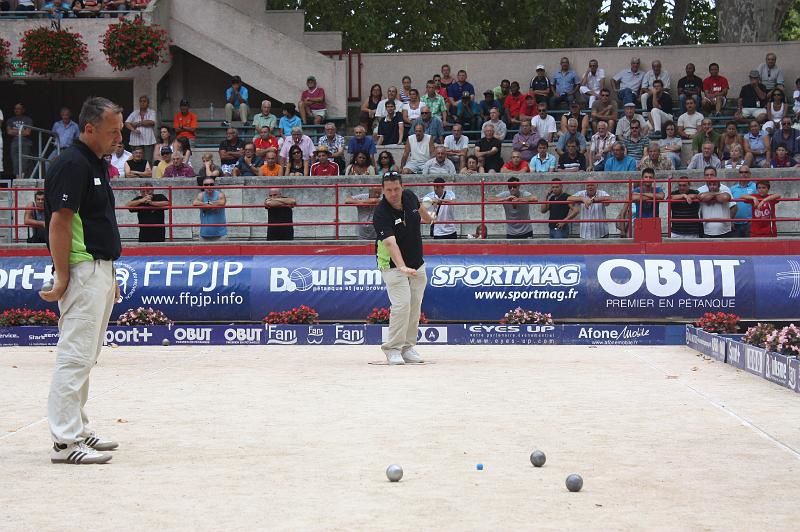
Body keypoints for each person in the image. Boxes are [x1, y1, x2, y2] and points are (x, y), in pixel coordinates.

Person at [41, 96, 124, 465]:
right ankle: (65, 441)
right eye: (112, 131)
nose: (118, 139)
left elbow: (96, 223)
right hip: (80, 269)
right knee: (74, 357)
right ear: (88, 129)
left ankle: (79, 427)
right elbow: (60, 222)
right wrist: (61, 276)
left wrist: (111, 274)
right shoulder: (71, 163)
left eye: (120, 131)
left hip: (99, 270)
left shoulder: (94, 164)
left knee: (86, 357)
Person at [373, 172, 432, 364]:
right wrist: (402, 266)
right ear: (383, 190)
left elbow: (421, 210)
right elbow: (390, 244)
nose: (393, 193)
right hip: (392, 266)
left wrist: (428, 217)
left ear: (402, 187)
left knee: (415, 305)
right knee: (402, 305)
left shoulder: (410, 196)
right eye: (388, 190)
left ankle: (407, 347)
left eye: (396, 189)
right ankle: (392, 349)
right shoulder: (381, 213)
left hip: (417, 263)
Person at [729, 166, 757, 237]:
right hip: (735, 224)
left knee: (750, 246)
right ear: (738, 174)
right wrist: (730, 221)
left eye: (746, 172)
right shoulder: (732, 189)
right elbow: (729, 206)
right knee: (736, 246)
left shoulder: (756, 187)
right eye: (741, 172)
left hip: (750, 223)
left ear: (750, 174)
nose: (743, 174)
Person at [8, 103, 33, 178]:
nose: (17, 110)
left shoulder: (28, 119)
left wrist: (15, 131)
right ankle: (17, 179)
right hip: (14, 143)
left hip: (25, 143)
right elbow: (9, 132)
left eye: (19, 108)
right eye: (15, 109)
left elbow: (28, 132)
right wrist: (21, 131)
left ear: (23, 110)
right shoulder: (10, 120)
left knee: (24, 162)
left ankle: (23, 179)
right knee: (15, 162)